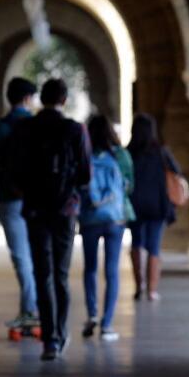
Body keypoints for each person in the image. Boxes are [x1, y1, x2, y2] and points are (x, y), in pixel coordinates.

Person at [6, 79, 92, 360]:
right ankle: (60, 331)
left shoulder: (25, 129)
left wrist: (30, 193)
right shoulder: (75, 130)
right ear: (64, 100)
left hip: (35, 210)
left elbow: (14, 170)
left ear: (41, 99)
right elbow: (85, 174)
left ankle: (49, 341)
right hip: (65, 211)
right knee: (61, 275)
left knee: (42, 273)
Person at [0, 77, 40, 332]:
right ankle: (33, 308)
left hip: (9, 198)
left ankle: (29, 311)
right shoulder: (37, 126)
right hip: (38, 200)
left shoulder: (0, 128)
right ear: (28, 98)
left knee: (21, 257)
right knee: (38, 255)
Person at [79, 115, 133, 342]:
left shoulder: (85, 155)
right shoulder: (120, 155)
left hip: (90, 217)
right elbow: (129, 186)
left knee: (90, 268)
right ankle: (107, 324)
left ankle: (92, 313)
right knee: (112, 271)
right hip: (115, 219)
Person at [127, 113, 183, 301]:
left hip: (135, 205)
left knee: (136, 243)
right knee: (154, 246)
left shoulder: (129, 152)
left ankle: (138, 286)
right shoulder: (161, 152)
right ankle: (151, 290)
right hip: (158, 205)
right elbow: (177, 172)